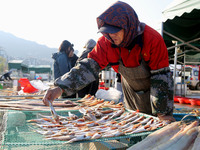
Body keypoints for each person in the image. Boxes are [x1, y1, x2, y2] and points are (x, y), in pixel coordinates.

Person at [43, 1, 175, 122]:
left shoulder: (152, 40)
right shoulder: (105, 43)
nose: (112, 36)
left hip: (154, 91)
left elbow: (161, 78)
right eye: (107, 32)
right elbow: (86, 68)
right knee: (135, 123)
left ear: (128, 26)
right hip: (130, 93)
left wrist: (163, 113)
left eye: (115, 31)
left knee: (158, 129)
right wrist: (60, 88)